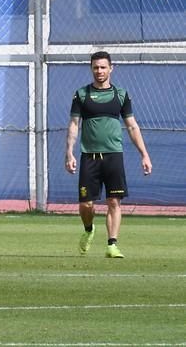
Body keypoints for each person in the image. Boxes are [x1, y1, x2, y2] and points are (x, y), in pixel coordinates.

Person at [65, 51, 152, 259]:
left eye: (103, 67)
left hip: (114, 157)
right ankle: (88, 229)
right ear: (91, 69)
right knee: (86, 204)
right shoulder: (81, 94)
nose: (99, 71)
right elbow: (74, 125)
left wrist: (144, 155)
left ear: (111, 68)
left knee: (114, 202)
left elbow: (132, 126)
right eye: (96, 67)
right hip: (89, 157)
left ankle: (112, 244)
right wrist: (69, 152)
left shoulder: (121, 95)